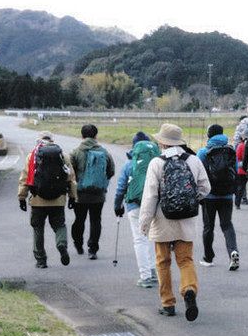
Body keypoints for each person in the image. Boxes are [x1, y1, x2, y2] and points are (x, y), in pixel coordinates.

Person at [139, 124, 211, 321]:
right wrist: (190, 199)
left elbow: (150, 197)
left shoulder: (156, 163)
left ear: (162, 142)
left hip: (162, 220)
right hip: (186, 220)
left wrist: (144, 224)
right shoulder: (193, 160)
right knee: (185, 260)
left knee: (163, 262)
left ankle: (168, 303)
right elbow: (206, 187)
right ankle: (189, 290)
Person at [17, 131, 76, 269]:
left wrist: (21, 197)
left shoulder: (32, 156)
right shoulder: (63, 156)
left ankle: (41, 260)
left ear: (39, 141)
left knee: (38, 228)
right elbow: (71, 178)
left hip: (38, 199)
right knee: (59, 225)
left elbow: (25, 178)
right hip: (58, 199)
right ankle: (61, 244)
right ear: (53, 140)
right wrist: (73, 196)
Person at [113, 132, 160, 288]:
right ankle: (154, 272)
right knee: (153, 238)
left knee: (140, 240)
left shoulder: (129, 165)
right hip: (154, 205)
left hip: (134, 206)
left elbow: (121, 188)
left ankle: (145, 276)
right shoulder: (157, 163)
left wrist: (117, 205)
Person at [69, 123, 116, 260]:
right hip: (98, 194)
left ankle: (78, 244)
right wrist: (101, 182)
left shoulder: (75, 152)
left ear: (81, 135)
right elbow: (111, 171)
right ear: (96, 136)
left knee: (79, 219)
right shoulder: (104, 152)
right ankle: (93, 249)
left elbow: (70, 173)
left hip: (80, 194)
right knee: (96, 220)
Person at [197, 124, 241, 270]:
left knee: (208, 227)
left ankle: (208, 258)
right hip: (227, 195)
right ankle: (233, 252)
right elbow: (235, 171)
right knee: (227, 225)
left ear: (209, 135)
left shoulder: (203, 152)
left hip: (209, 195)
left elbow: (198, 174)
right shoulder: (231, 150)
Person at [233, 116, 248, 208]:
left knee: (240, 185)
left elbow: (237, 156)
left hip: (241, 168)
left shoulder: (241, 145)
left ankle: (240, 201)